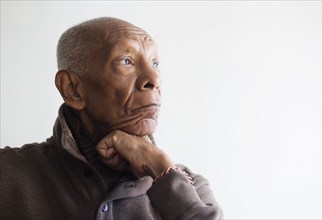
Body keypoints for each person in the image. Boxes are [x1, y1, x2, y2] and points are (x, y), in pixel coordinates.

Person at [0, 17, 223, 219]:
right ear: (73, 89)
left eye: (155, 63)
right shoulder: (8, 173)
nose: (154, 78)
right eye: (126, 60)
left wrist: (162, 169)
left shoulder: (191, 191)